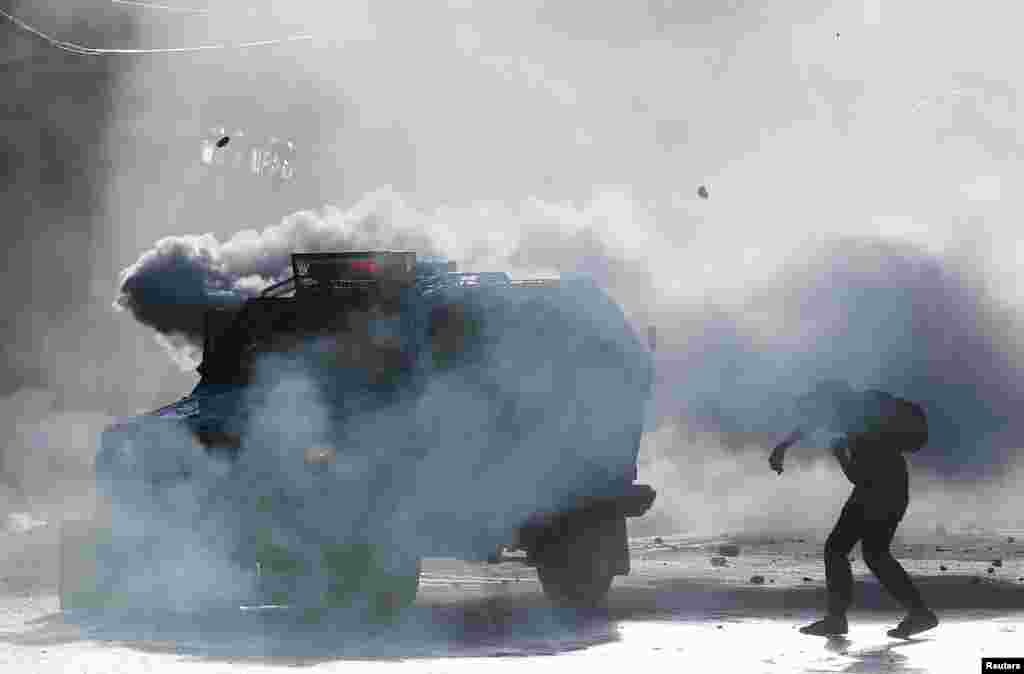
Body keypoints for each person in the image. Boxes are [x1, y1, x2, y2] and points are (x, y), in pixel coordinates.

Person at [769, 379, 939, 638]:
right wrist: (784, 445)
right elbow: (812, 423)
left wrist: (840, 455)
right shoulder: (864, 411)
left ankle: (838, 619)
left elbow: (859, 476)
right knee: (875, 554)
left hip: (874, 493)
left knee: (838, 549)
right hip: (892, 490)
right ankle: (919, 613)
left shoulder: (860, 428)